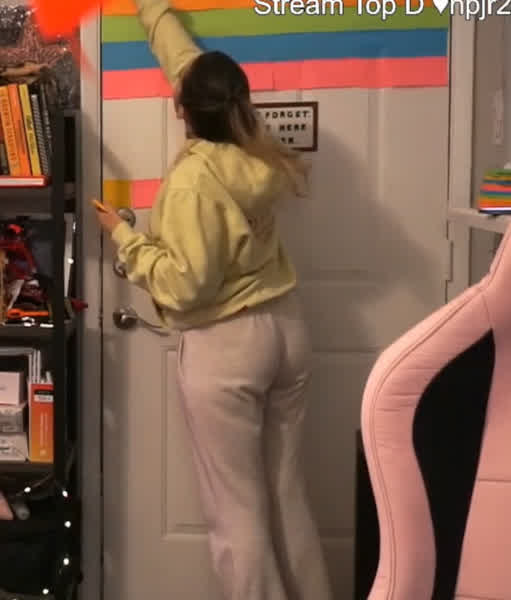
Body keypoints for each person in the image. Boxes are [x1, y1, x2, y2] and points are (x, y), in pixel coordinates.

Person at [94, 1, 332, 599]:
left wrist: (124, 239)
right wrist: (151, 10)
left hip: (228, 347)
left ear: (182, 108)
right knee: (285, 494)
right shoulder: (257, 147)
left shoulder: (193, 183)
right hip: (285, 330)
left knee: (236, 513)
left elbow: (187, 285)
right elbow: (189, 64)